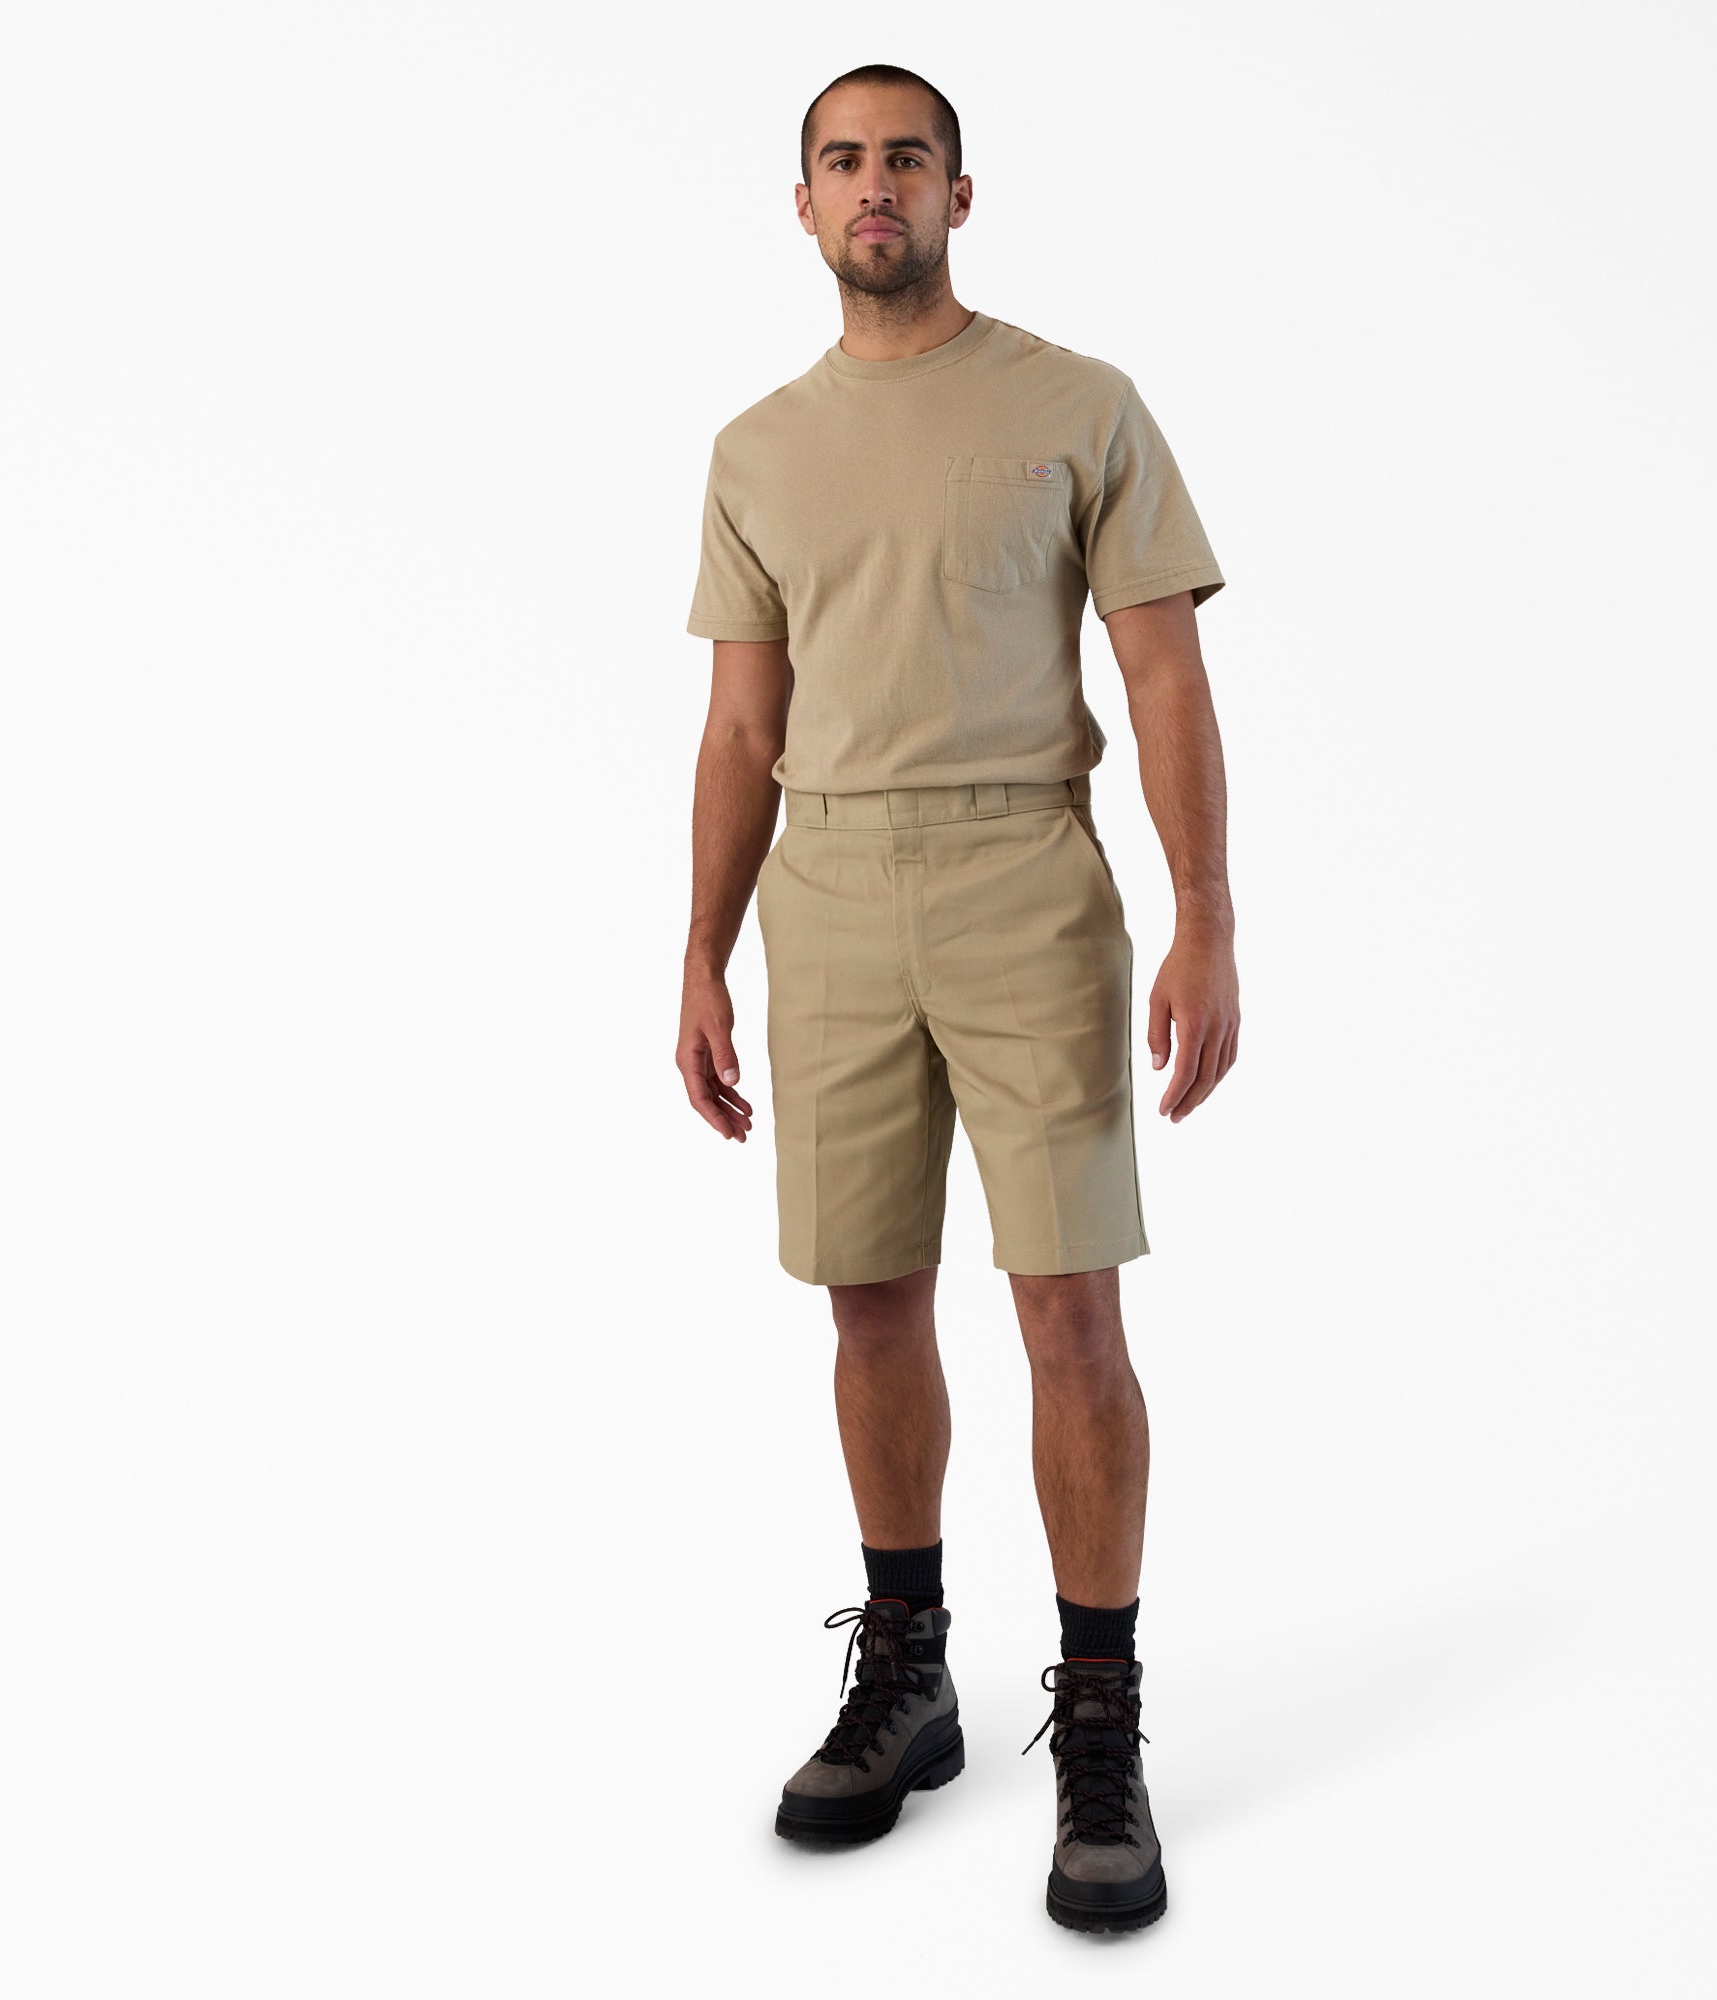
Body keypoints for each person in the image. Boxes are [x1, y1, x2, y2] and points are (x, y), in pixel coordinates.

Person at [676, 62, 1238, 1934]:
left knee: (1069, 1306)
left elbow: (1163, 677)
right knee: (867, 1296)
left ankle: (1102, 1726)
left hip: (1023, 876)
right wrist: (701, 950)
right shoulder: (758, 448)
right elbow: (740, 728)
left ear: (959, 195)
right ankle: (909, 1673)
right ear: (804, 202)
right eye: (842, 160)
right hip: (826, 888)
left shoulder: (1076, 406)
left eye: (905, 157)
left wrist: (1206, 917)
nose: (875, 185)